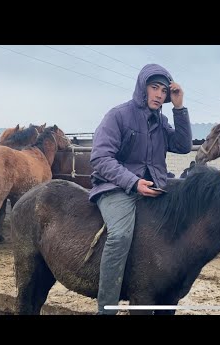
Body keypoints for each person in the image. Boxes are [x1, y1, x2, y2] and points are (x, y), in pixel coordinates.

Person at [89, 64, 192, 315]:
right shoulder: (118, 116)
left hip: (154, 186)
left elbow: (183, 145)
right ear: (142, 87)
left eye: (164, 90)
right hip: (116, 187)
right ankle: (107, 309)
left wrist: (179, 107)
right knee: (120, 236)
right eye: (154, 87)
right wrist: (133, 182)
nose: (159, 94)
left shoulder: (162, 120)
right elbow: (100, 158)